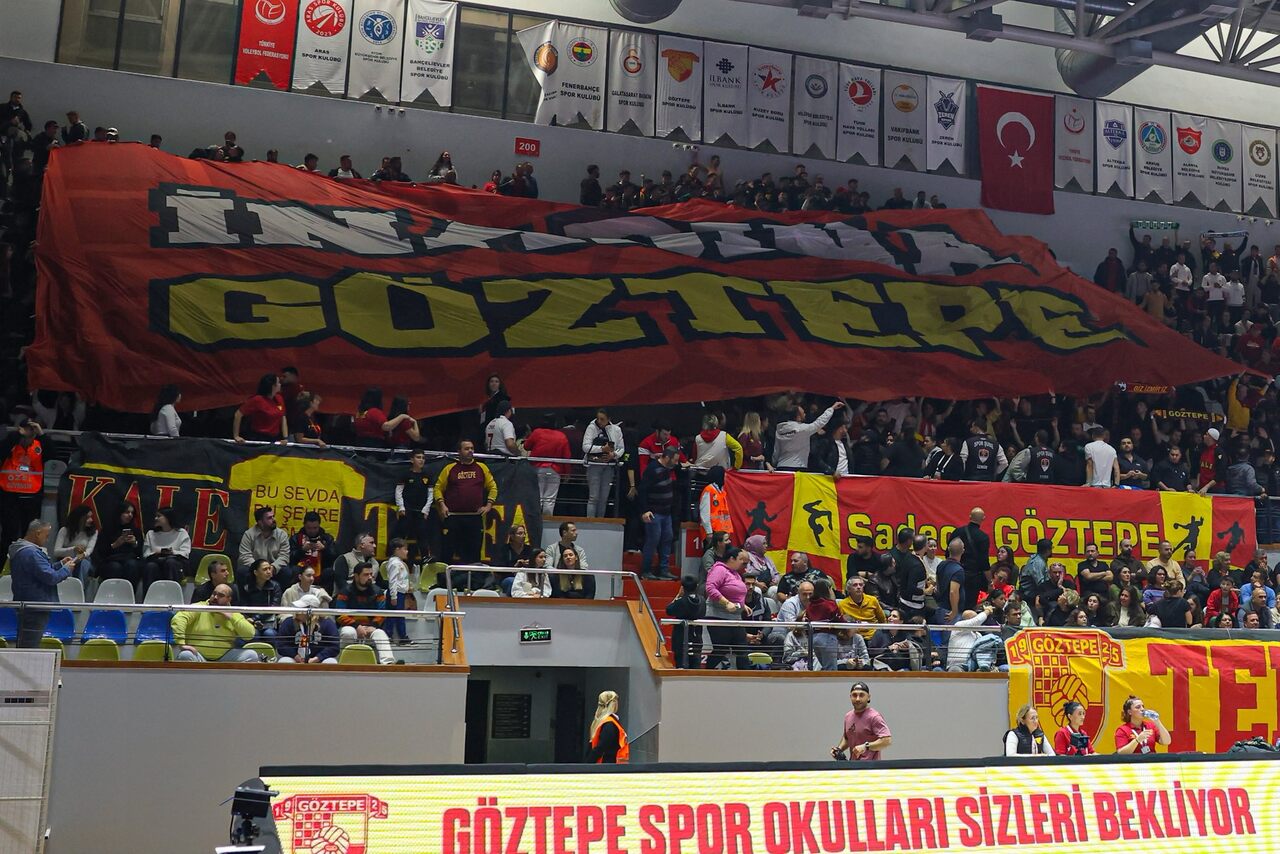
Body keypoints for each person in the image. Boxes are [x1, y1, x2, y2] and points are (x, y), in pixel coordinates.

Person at [9, 520, 76, 647]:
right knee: (29, 646)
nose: (47, 540)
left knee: (25, 643)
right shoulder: (32, 553)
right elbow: (51, 577)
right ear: (38, 533)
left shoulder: (21, 550)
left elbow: (40, 572)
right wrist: (67, 569)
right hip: (35, 606)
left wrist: (60, 564)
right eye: (47, 536)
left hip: (28, 604)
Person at [435, 440, 497, 573]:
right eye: (467, 448)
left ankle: (472, 579)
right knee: (447, 551)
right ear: (459, 451)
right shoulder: (450, 468)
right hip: (453, 517)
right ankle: (444, 579)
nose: (470, 451)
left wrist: (488, 505)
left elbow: (493, 487)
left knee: (473, 553)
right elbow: (438, 488)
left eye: (472, 448)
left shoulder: (482, 468)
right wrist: (442, 505)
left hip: (474, 517)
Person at [171, 584, 260, 662]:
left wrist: (231, 617)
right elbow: (178, 619)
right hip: (198, 656)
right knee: (185, 655)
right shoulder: (200, 607)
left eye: (221, 595)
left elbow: (249, 634)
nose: (215, 597)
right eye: (214, 594)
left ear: (228, 599)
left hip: (225, 657)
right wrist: (181, 643)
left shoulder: (234, 613)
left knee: (251, 655)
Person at [335, 562, 395, 665]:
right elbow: (339, 615)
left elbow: (382, 613)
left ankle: (388, 664)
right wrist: (356, 626)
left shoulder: (378, 592)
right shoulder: (344, 591)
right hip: (350, 626)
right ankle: (342, 662)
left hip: (371, 627)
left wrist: (374, 625)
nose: (370, 577)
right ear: (356, 576)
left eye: (371, 574)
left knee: (380, 634)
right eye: (366, 574)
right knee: (348, 633)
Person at [0, 419, 44, 556]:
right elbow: (2, 450)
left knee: (30, 535)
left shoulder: (39, 446)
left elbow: (52, 454)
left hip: (32, 497)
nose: (29, 432)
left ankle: (27, 562)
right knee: (8, 534)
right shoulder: (11, 444)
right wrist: (17, 435)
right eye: (27, 428)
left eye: (32, 429)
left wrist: (41, 434)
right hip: (9, 496)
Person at [638, 446, 681, 580]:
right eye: (675, 460)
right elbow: (642, 490)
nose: (676, 463)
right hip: (654, 512)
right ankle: (646, 570)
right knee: (653, 540)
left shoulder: (667, 468)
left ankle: (663, 569)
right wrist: (645, 510)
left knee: (667, 539)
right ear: (667, 458)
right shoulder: (652, 470)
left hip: (666, 512)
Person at [705, 545, 750, 670]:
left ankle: (746, 676)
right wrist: (726, 603)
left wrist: (743, 605)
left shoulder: (735, 573)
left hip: (735, 618)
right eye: (740, 559)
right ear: (731, 559)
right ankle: (707, 673)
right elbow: (710, 588)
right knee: (721, 648)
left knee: (742, 649)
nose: (743, 563)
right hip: (719, 616)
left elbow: (735, 593)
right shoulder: (719, 569)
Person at [774, 401, 845, 470]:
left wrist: (774, 464)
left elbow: (776, 450)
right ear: (798, 417)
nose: (805, 414)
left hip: (781, 467)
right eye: (803, 413)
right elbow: (819, 423)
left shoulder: (779, 430)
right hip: (797, 467)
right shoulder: (802, 429)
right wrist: (832, 408)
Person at [524, 414, 571, 514]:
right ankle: (547, 520)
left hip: (537, 468)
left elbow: (526, 446)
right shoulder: (561, 436)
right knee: (550, 499)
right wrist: (567, 473)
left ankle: (535, 519)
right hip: (555, 470)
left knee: (537, 497)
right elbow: (566, 456)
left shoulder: (537, 432)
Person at [833, 681, 892, 761]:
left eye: (861, 695)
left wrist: (866, 746)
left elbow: (887, 740)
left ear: (868, 697)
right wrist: (839, 750)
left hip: (871, 766)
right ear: (850, 697)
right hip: (853, 765)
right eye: (854, 695)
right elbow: (847, 738)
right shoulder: (848, 716)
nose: (857, 699)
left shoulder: (874, 717)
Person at [276, 594, 341, 664]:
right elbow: (281, 644)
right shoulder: (288, 622)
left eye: (301, 608)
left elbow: (334, 647)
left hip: (320, 659)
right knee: (284, 661)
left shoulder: (327, 623)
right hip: (295, 658)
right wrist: (295, 656)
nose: (297, 611)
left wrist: (317, 658)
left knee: (331, 662)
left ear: (311, 611)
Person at [582, 409, 624, 517]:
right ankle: (590, 522)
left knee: (604, 498)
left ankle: (600, 521)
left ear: (609, 419)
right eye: (598, 418)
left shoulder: (616, 429)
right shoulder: (591, 427)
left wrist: (613, 455)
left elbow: (621, 448)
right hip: (594, 465)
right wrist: (602, 449)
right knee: (593, 497)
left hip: (608, 467)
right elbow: (585, 447)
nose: (599, 421)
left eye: (602, 419)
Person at [237, 506, 290, 585]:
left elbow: (284, 556)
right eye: (269, 518)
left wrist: (272, 568)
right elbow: (245, 556)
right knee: (242, 571)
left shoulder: (282, 535)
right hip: (255, 570)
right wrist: (259, 569)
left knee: (286, 572)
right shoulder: (249, 534)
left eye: (273, 516)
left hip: (273, 570)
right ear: (260, 522)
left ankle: (278, 593)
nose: (273, 519)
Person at [142, 508, 191, 591]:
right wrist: (156, 553)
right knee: (150, 566)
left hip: (175, 562)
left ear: (168, 518)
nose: (156, 518)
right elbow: (146, 553)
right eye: (156, 516)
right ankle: (148, 596)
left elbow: (185, 553)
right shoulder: (151, 533)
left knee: (170, 562)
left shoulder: (181, 533)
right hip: (156, 561)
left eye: (159, 516)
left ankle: (171, 594)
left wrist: (171, 552)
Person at [94, 504, 143, 589]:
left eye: (132, 513)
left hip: (129, 558)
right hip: (110, 559)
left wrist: (134, 543)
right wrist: (115, 544)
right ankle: (113, 593)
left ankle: (129, 594)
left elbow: (140, 552)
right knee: (115, 567)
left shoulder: (136, 530)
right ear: (119, 513)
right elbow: (100, 551)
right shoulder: (108, 529)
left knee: (132, 565)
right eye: (127, 512)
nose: (130, 515)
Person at [288, 511, 338, 591]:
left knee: (329, 572)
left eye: (315, 528)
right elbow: (290, 558)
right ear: (304, 525)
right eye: (309, 528)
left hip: (321, 569)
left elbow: (334, 557)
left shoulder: (327, 538)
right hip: (301, 568)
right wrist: (302, 550)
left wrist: (324, 549)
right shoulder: (296, 538)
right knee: (294, 570)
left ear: (319, 525)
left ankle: (324, 595)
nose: (312, 531)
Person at [232, 374, 287, 443]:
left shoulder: (279, 398)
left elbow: (283, 417)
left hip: (275, 438)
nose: (280, 384)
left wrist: (285, 437)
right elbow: (238, 414)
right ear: (273, 386)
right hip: (259, 438)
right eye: (278, 383)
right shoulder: (257, 400)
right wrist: (236, 436)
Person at [52, 505, 97, 586]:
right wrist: (73, 549)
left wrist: (79, 556)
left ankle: (79, 588)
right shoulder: (64, 530)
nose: (91, 520)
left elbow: (89, 550)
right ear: (79, 518)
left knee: (82, 563)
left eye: (91, 517)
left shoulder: (93, 532)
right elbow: (56, 552)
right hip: (66, 559)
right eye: (87, 517)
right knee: (69, 564)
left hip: (84, 559)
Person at [666, 576, 705, 668]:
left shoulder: (680, 602)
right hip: (696, 637)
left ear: (682, 587)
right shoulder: (702, 600)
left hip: (681, 638)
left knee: (681, 665)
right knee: (696, 665)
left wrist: (678, 596)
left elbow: (669, 610)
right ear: (697, 586)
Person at [585, 690, 629, 763]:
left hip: (604, 765)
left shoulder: (602, 722)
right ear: (614, 704)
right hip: (608, 766)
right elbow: (600, 748)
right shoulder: (609, 724)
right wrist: (587, 765)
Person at [698, 465, 733, 540]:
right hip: (713, 531)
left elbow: (725, 512)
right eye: (724, 475)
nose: (725, 477)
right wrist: (709, 531)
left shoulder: (722, 491)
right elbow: (704, 513)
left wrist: (727, 529)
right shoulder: (709, 490)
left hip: (722, 531)